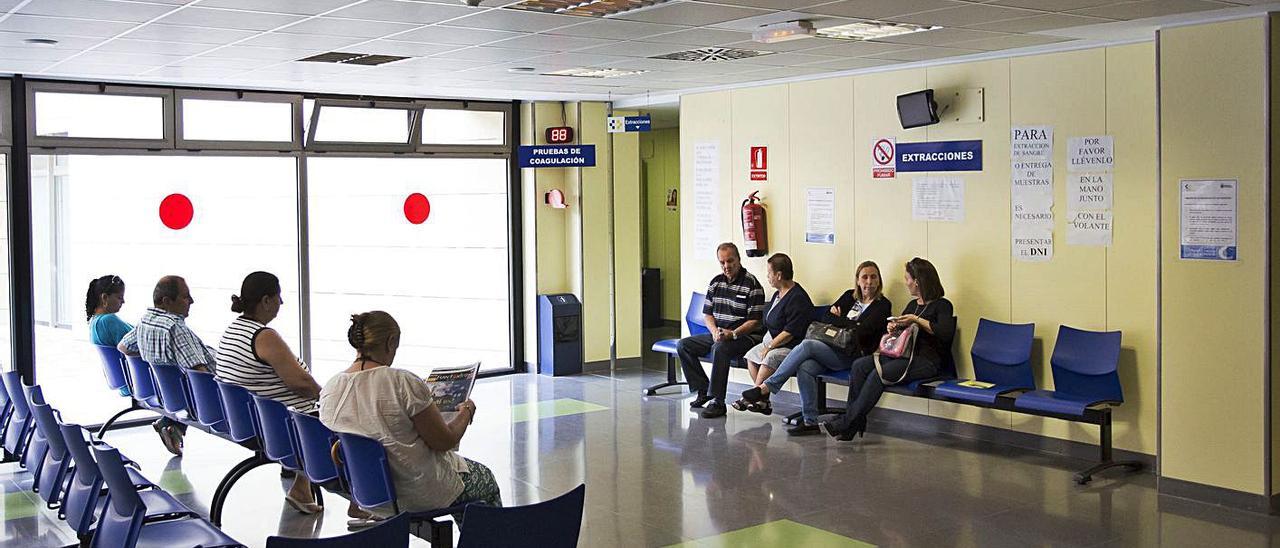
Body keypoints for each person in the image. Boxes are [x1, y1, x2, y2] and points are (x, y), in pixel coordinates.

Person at [319, 311, 501, 523]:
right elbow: (445, 441)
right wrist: (466, 412)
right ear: (391, 342)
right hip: (415, 491)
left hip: (368, 491)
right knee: (485, 480)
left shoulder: (331, 388)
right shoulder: (401, 382)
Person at [216, 271, 370, 519]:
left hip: (251, 420)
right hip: (276, 426)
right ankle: (359, 500)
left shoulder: (234, 330)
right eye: (278, 297)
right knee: (353, 422)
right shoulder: (263, 336)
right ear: (266, 300)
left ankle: (301, 487)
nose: (282, 303)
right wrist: (329, 400)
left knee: (318, 418)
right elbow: (300, 382)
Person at [742, 261, 892, 435]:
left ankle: (766, 387)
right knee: (805, 367)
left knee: (807, 345)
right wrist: (849, 324)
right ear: (857, 280)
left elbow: (863, 331)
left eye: (873, 277)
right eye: (864, 277)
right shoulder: (849, 296)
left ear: (879, 280)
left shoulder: (882, 305)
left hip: (853, 355)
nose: (869, 282)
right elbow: (828, 316)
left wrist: (843, 321)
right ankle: (810, 422)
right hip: (831, 349)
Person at [822, 258, 955, 441]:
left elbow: (944, 333)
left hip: (926, 361)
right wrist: (894, 328)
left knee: (879, 374)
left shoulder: (942, 305)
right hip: (902, 356)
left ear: (917, 281)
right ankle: (854, 422)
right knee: (860, 366)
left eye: (908, 279)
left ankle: (848, 421)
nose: (906, 282)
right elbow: (901, 333)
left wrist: (916, 320)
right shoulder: (913, 305)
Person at [118, 275, 217, 457]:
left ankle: (169, 424)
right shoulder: (174, 327)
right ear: (166, 301)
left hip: (170, 396)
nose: (192, 301)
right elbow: (201, 376)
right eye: (186, 297)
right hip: (211, 399)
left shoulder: (146, 320)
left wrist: (156, 357)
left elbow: (123, 347)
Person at [676, 242, 765, 419]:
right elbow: (708, 315)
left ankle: (717, 401)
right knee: (683, 345)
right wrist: (715, 331)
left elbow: (754, 322)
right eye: (722, 262)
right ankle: (702, 390)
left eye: (730, 261)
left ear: (738, 259)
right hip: (719, 334)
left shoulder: (752, 285)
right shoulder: (715, 283)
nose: (726, 266)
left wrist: (732, 334)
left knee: (720, 349)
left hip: (744, 337)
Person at [732, 253, 813, 416]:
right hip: (772, 341)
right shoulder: (778, 294)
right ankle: (762, 400)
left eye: (769, 273)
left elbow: (790, 332)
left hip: (791, 346)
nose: (767, 276)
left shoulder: (797, 297)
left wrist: (770, 346)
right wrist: (766, 345)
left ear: (779, 275)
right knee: (751, 356)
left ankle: (750, 398)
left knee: (769, 358)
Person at [87, 275, 133, 396]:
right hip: (140, 383)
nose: (123, 301)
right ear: (105, 298)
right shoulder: (108, 321)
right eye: (119, 297)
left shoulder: (94, 322)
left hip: (127, 382)